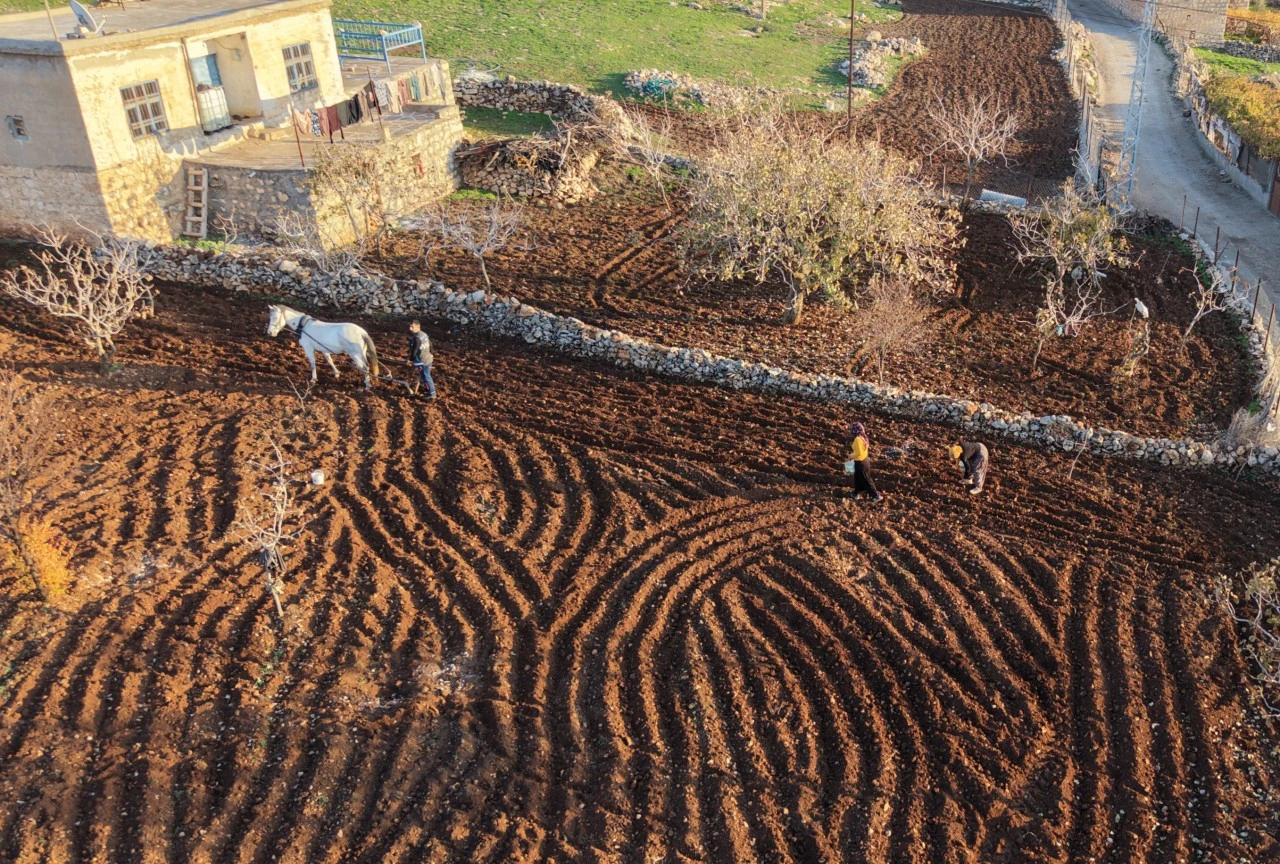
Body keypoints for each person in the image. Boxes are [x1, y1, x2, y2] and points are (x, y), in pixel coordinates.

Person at [846, 421, 882, 503]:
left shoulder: (858, 439)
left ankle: (875, 495)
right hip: (864, 460)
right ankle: (856, 493)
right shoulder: (863, 437)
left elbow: (859, 452)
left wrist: (850, 456)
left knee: (866, 479)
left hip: (861, 463)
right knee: (858, 478)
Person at [407, 320, 437, 400]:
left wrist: (410, 360)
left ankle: (432, 394)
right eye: (410, 326)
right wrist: (431, 353)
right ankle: (428, 389)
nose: (410, 328)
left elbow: (414, 351)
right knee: (425, 376)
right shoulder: (424, 334)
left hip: (422, 361)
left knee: (426, 376)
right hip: (428, 358)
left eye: (412, 327)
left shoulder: (417, 339)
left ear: (417, 327)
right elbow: (430, 344)